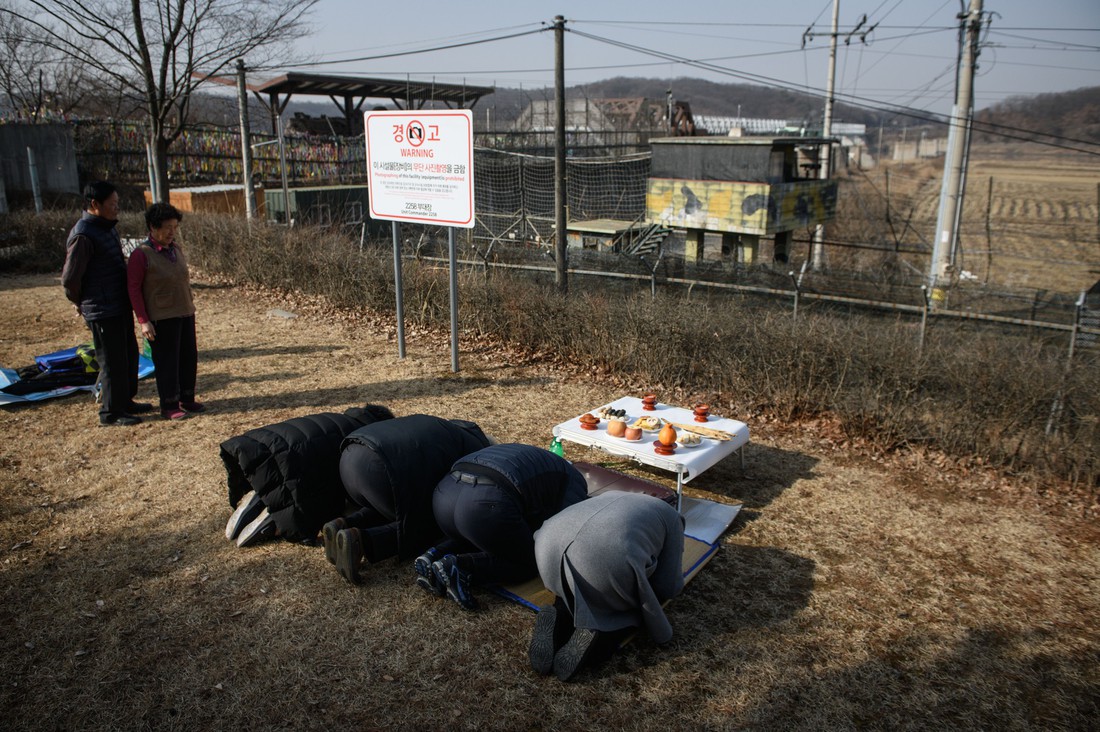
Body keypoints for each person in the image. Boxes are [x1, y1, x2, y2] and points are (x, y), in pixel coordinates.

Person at [530, 491, 686, 681]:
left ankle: (560, 613)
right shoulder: (672, 517)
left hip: (547, 545)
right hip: (602, 561)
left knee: (570, 585)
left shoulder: (612, 493)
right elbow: (669, 587)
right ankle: (599, 633)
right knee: (626, 603)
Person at [416, 443, 588, 611]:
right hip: (484, 502)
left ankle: (434, 555)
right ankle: (461, 567)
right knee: (529, 562)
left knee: (480, 536)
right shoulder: (574, 483)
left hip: (444, 495)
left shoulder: (540, 460)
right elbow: (566, 528)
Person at [324, 414, 493, 584]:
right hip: (382, 469)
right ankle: (362, 541)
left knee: (391, 502)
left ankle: (343, 524)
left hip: (350, 455)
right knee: (436, 519)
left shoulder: (444, 427)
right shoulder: (474, 451)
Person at [61, 181, 151, 426]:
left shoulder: (106, 227)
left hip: (117, 304)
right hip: (101, 309)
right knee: (111, 361)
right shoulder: (83, 235)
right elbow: (70, 279)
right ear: (94, 205)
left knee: (128, 355)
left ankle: (125, 401)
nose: (116, 208)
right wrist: (83, 303)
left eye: (117, 203)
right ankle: (110, 412)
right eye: (113, 204)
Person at [127, 202, 202, 421]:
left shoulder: (176, 249)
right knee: (168, 361)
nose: (171, 232)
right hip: (161, 316)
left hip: (184, 311)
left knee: (188, 357)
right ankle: (169, 404)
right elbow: (133, 289)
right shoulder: (141, 255)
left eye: (175, 227)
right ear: (153, 227)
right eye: (167, 227)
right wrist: (143, 320)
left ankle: (187, 397)